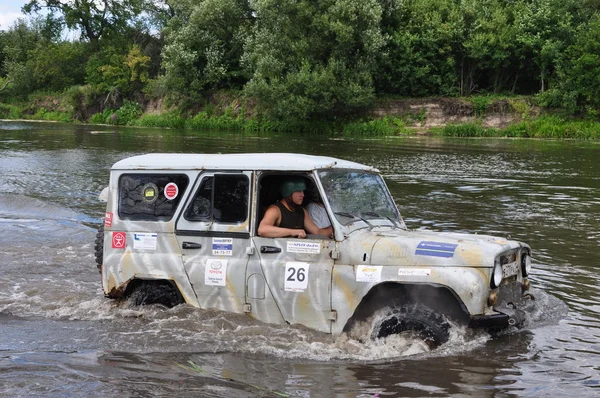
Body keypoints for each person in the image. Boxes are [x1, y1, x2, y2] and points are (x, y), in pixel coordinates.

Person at [258, 177, 333, 238]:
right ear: (289, 191)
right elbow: (262, 230)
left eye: (303, 191)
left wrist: (337, 228)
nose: (302, 195)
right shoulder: (275, 210)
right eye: (299, 191)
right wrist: (293, 232)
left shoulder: (302, 211)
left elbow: (318, 232)